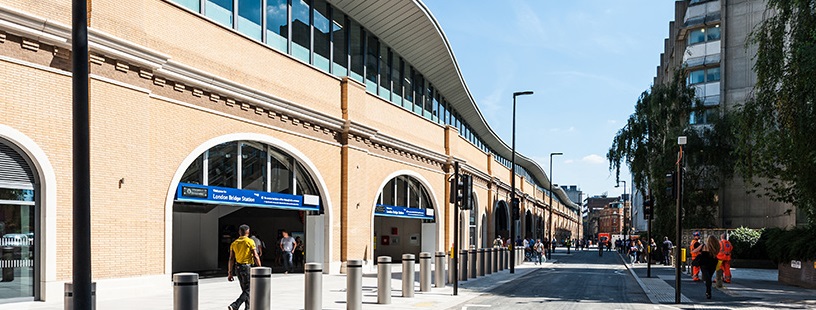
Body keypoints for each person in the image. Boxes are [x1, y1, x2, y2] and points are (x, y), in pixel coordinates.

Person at [227, 224, 261, 310]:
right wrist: (260, 268)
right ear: (248, 232)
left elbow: (231, 259)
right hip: (247, 268)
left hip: (237, 268)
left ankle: (248, 308)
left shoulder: (234, 243)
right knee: (249, 289)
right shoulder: (249, 241)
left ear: (239, 232)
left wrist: (230, 273)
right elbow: (256, 255)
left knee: (245, 290)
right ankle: (235, 305)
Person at [692, 235, 720, 299]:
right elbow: (717, 253)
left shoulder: (704, 246)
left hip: (704, 262)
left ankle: (708, 291)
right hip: (713, 262)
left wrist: (699, 253)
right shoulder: (716, 246)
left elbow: (694, 251)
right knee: (709, 276)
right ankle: (708, 290)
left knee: (707, 277)